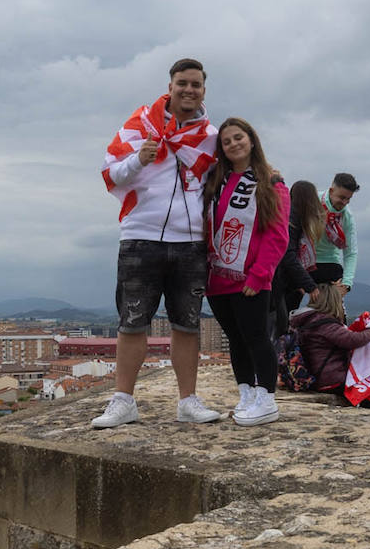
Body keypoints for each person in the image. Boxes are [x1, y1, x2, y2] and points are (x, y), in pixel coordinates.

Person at [92, 59, 222, 428]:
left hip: (191, 240)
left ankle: (188, 402)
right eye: (182, 83)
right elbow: (110, 173)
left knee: (187, 323)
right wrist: (138, 159)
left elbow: (232, 171)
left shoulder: (210, 137)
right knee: (132, 322)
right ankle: (123, 402)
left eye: (195, 84)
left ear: (203, 91)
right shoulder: (140, 125)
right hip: (140, 235)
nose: (188, 90)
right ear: (170, 85)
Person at [203, 117, 290, 425]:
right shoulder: (215, 181)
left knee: (256, 338)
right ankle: (246, 395)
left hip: (250, 279)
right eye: (226, 142)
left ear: (251, 140)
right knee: (235, 340)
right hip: (217, 279)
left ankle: (266, 399)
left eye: (238, 138)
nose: (233, 144)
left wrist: (260, 274)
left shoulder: (271, 183)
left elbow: (277, 235)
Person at [289, 282, 370, 406]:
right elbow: (352, 340)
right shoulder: (325, 323)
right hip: (330, 379)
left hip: (314, 374)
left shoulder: (307, 320)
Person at [270, 180, 324, 339]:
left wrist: (298, 284)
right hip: (275, 281)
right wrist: (310, 286)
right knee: (278, 327)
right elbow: (288, 255)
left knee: (280, 324)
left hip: (280, 281)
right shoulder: (292, 219)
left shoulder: (289, 216)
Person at [312, 173, 359, 291]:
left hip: (330, 261)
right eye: (342, 198)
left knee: (331, 305)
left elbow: (351, 252)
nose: (345, 203)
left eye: (349, 199)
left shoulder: (347, 216)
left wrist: (346, 284)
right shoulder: (313, 201)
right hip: (305, 260)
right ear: (331, 191)